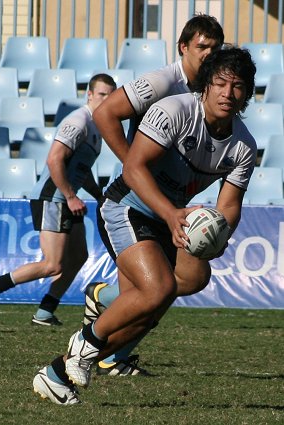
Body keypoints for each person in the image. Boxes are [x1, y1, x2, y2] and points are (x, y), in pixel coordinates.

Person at [33, 46, 257, 405]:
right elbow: (133, 169)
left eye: (238, 87)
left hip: (168, 216)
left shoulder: (244, 147)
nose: (228, 94)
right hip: (126, 205)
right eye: (220, 83)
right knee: (158, 289)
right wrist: (170, 214)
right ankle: (85, 342)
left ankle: (58, 372)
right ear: (205, 86)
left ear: (247, 94)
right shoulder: (174, 111)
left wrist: (219, 234)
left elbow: (229, 206)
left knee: (170, 296)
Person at [82, 13, 225, 376]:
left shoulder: (210, 91)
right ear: (183, 47)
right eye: (202, 47)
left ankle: (102, 302)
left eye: (215, 48)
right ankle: (106, 355)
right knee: (153, 293)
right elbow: (105, 114)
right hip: (132, 202)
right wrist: (134, 166)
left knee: (188, 279)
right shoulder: (163, 82)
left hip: (169, 207)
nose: (209, 54)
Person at [0, 73, 117, 326]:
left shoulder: (97, 126)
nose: (107, 99)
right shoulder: (78, 122)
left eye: (111, 95)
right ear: (89, 95)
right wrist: (69, 196)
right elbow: (54, 160)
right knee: (52, 265)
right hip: (53, 197)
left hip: (66, 197)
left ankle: (45, 311)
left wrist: (98, 195)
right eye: (102, 94)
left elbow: (80, 168)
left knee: (78, 257)